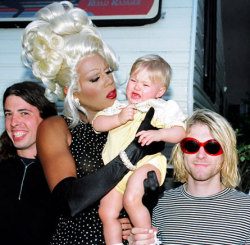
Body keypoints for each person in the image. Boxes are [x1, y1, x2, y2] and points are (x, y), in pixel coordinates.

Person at [21, 1, 165, 244]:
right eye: (95, 78)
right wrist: (133, 151)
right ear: (73, 92)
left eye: (108, 72)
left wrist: (137, 212)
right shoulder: (56, 127)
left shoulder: (129, 120)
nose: (109, 82)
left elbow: (137, 193)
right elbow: (70, 200)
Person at [93, 54, 186, 245]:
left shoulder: (160, 108)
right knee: (106, 211)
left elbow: (180, 132)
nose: (137, 87)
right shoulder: (117, 109)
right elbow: (97, 124)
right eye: (133, 80)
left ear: (160, 91)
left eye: (145, 85)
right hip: (115, 172)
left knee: (131, 198)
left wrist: (160, 134)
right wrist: (118, 119)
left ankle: (148, 240)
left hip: (146, 164)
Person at [129, 109, 250, 245]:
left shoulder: (246, 209)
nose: (201, 155)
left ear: (225, 155)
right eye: (192, 145)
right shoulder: (159, 206)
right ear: (181, 152)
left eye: (212, 147)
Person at [0, 81, 58, 245]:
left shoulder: (62, 173)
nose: (13, 122)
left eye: (24, 113)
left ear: (45, 119)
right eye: (8, 114)